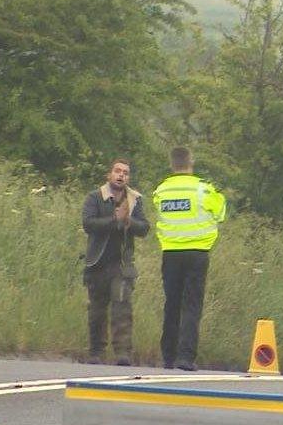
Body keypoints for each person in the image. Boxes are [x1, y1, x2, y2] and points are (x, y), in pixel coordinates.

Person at [152, 147, 226, 371]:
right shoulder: (204, 190)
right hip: (197, 253)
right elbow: (220, 213)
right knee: (191, 305)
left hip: (170, 252)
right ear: (191, 162)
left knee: (171, 304)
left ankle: (168, 356)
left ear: (171, 164)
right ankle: (185, 357)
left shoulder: (161, 191)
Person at [81, 158, 150, 366]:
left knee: (122, 308)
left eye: (126, 173)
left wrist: (129, 221)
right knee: (97, 310)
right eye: (118, 171)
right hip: (97, 262)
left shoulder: (135, 199)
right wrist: (115, 220)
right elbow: (88, 224)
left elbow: (145, 228)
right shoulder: (95, 197)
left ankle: (123, 353)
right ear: (109, 175)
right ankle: (96, 352)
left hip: (122, 265)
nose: (121, 175)